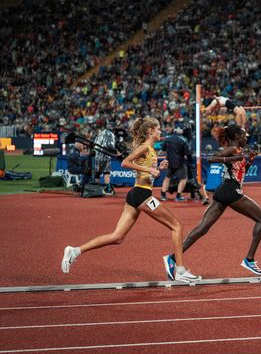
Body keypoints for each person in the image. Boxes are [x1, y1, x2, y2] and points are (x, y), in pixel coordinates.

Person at [61, 117, 200, 283]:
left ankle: (74, 251)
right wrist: (149, 168)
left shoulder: (151, 149)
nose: (160, 132)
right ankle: (179, 269)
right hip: (142, 195)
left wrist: (157, 168)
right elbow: (125, 163)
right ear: (150, 132)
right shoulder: (145, 147)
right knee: (177, 225)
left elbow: (145, 174)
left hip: (137, 194)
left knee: (117, 237)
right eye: (158, 129)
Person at [163, 125, 261, 278]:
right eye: (245, 135)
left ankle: (172, 258)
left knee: (202, 228)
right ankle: (249, 260)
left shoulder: (238, 151)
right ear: (238, 137)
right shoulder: (232, 149)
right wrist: (232, 158)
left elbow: (238, 170)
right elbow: (212, 158)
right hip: (230, 191)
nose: (247, 137)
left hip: (224, 192)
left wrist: (250, 160)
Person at [160, 126, 192, 202]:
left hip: (169, 161)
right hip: (180, 162)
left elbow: (163, 148)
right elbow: (187, 152)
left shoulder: (167, 139)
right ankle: (178, 196)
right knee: (184, 179)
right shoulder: (184, 140)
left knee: (167, 178)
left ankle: (163, 196)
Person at [93, 122, 119, 195]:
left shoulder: (100, 133)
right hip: (105, 156)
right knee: (106, 172)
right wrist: (116, 152)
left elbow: (94, 143)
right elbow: (110, 145)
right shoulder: (111, 134)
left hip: (96, 155)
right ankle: (107, 189)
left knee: (97, 173)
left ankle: (96, 189)